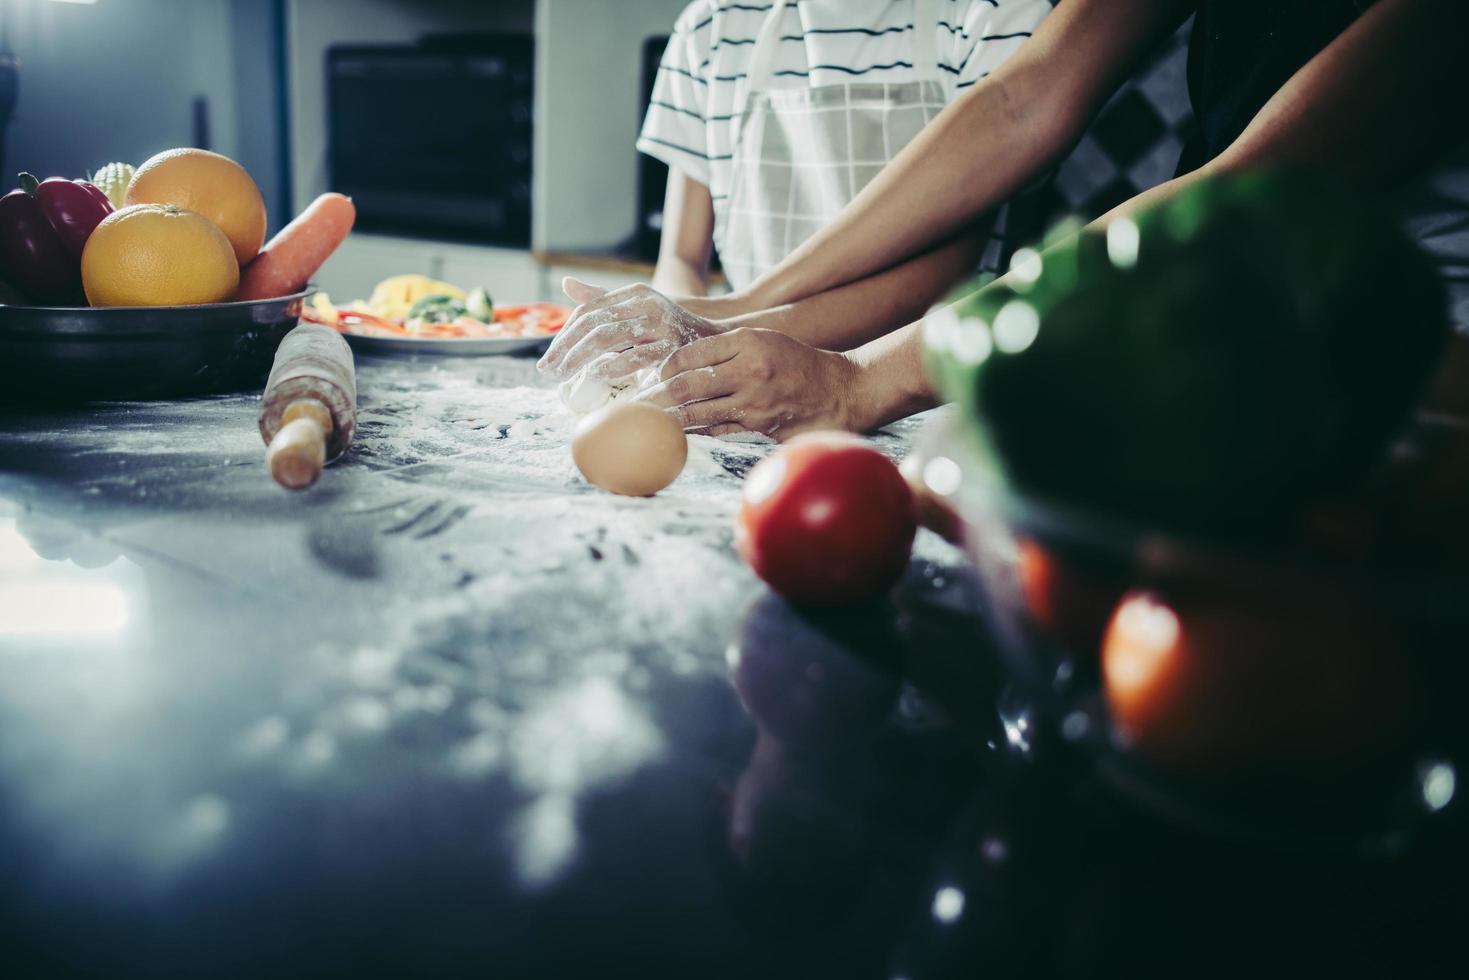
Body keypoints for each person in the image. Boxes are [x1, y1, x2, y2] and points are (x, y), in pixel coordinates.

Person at [540, 0, 1469, 439]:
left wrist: (863, 379)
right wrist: (740, 310)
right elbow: (1022, 102)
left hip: (1412, 375)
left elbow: (1245, 195)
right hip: (1218, 340)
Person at [554, 0, 1051, 398]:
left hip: (939, 389)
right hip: (751, 387)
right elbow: (682, 257)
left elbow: (948, 272)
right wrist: (679, 338)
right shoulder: (711, 29)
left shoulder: (989, 13)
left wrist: (714, 325)